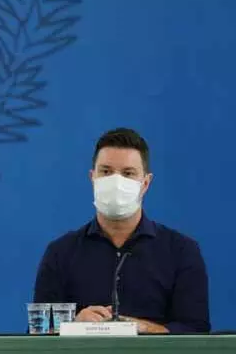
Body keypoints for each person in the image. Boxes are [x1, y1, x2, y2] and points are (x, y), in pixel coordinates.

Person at [33, 128, 210, 333]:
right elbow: (37, 336)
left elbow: (197, 333)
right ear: (92, 177)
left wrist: (141, 329)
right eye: (106, 172)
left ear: (145, 183)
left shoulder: (182, 252)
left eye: (128, 173)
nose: (116, 182)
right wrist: (72, 326)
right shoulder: (60, 253)